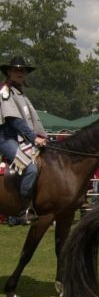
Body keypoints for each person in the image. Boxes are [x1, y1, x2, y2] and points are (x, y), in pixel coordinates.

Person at [0, 56, 48, 221]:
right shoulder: (5, 92)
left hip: (21, 138)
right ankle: (24, 209)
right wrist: (34, 138)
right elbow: (14, 120)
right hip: (6, 139)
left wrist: (41, 136)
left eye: (23, 70)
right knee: (31, 168)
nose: (20, 73)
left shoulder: (20, 93)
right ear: (9, 72)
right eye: (16, 70)